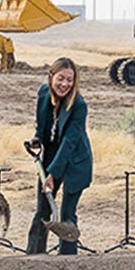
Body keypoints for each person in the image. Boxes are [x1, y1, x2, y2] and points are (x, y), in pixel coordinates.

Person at [26, 57, 92, 255]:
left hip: (75, 162)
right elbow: (42, 124)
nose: (65, 84)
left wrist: (53, 174)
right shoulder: (44, 93)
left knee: (66, 214)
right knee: (43, 210)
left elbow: (69, 142)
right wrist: (37, 138)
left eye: (70, 80)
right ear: (51, 76)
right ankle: (33, 257)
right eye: (61, 78)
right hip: (51, 156)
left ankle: (67, 259)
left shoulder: (79, 105)